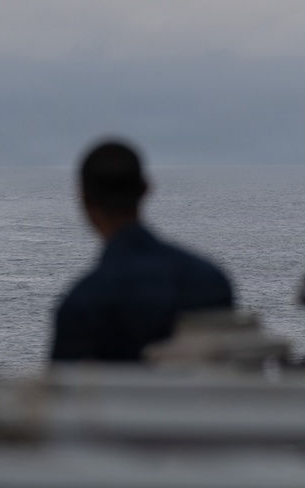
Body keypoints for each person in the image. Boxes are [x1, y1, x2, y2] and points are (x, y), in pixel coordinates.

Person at [50, 140, 234, 362]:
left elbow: (64, 392)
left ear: (85, 199)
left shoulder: (82, 305)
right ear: (146, 188)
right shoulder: (210, 279)